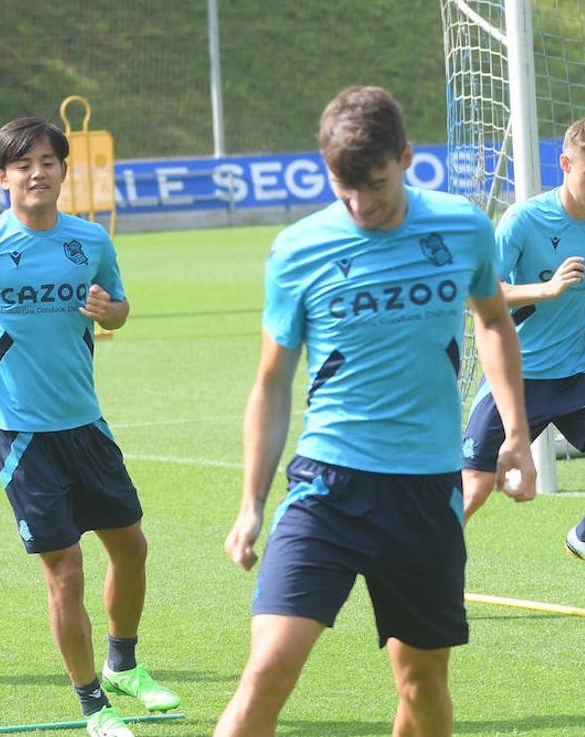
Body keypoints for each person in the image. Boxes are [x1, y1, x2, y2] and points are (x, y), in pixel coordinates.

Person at [214, 86, 537, 737]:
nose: (361, 204)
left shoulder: (462, 227)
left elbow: (494, 321)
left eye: (377, 185)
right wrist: (251, 501)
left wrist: (518, 432)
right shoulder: (297, 250)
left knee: (421, 686)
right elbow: (271, 383)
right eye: (344, 188)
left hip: (424, 492)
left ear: (407, 158)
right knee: (267, 669)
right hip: (325, 488)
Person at [0, 117, 179, 737]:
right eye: (23, 165)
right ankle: (93, 707)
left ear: (63, 170)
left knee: (132, 548)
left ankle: (124, 663)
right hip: (23, 435)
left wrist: (116, 310)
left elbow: (121, 307)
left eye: (48, 162)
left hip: (87, 426)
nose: (37, 174)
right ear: (2, 178)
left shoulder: (90, 241)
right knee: (66, 571)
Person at [461, 116, 585, 589]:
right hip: (515, 377)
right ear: (565, 164)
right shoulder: (523, 220)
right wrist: (545, 291)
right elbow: (479, 294)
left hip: (572, 377)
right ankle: (422, 571)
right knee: (475, 489)